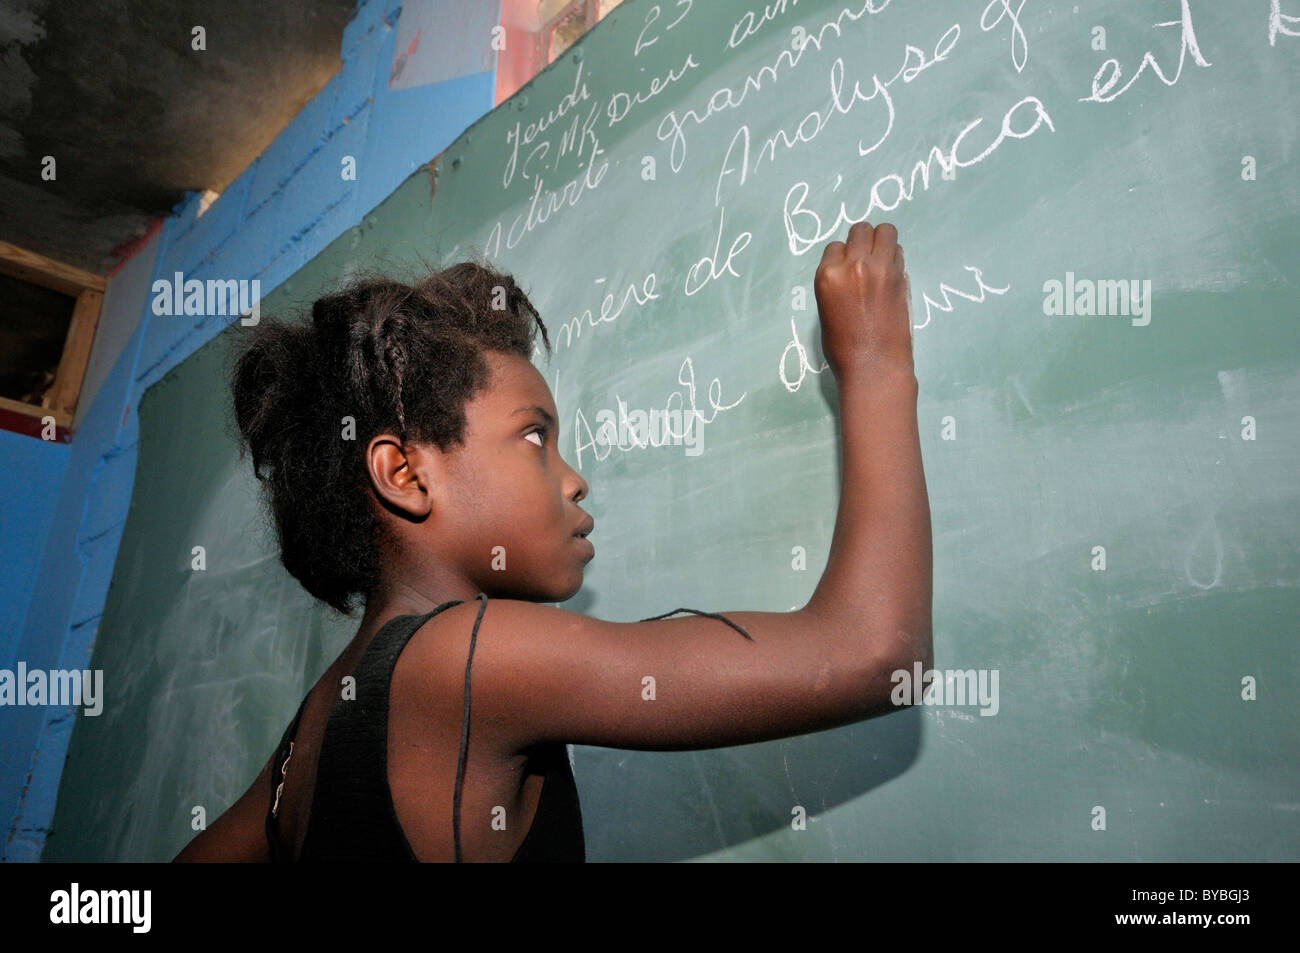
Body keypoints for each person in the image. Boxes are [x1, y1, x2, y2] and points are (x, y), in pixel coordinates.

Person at [172, 219, 931, 862]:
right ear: (403, 472)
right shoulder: (464, 656)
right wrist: (875, 364)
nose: (573, 480)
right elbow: (874, 650)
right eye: (535, 436)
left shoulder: (311, 730)